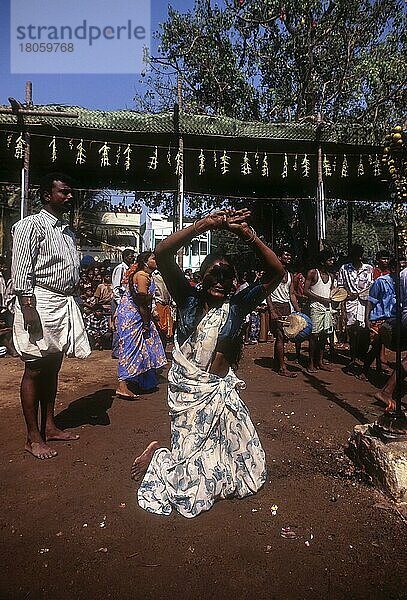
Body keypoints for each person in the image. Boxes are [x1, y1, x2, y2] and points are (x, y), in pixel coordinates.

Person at [132, 208, 284, 518]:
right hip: (188, 392)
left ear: (234, 282)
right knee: (189, 483)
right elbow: (163, 253)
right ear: (202, 277)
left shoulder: (238, 304)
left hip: (219, 392)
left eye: (227, 276)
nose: (220, 280)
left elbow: (277, 272)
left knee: (246, 469)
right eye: (213, 273)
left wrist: (247, 234)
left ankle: (176, 456)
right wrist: (204, 224)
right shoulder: (187, 298)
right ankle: (161, 458)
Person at [11, 172, 90, 460]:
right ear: (47, 195)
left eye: (70, 192)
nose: (69, 197)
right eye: (64, 192)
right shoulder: (30, 226)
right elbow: (21, 271)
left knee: (53, 366)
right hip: (38, 301)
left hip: (62, 303)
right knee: (34, 368)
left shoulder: (67, 232)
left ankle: (50, 425)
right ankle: (33, 438)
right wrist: (28, 308)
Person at [116, 251, 166, 399]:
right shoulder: (142, 276)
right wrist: (146, 322)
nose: (156, 260)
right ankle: (122, 385)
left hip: (136, 314)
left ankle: (140, 380)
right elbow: (142, 302)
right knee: (131, 349)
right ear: (145, 262)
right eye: (153, 258)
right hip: (133, 317)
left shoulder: (145, 275)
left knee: (146, 347)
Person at [337, 244, 373, 371]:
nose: (358, 259)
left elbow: (370, 287)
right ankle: (352, 358)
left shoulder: (369, 269)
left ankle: (361, 357)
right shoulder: (344, 268)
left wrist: (361, 294)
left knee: (364, 331)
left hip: (364, 303)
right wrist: (348, 294)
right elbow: (340, 286)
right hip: (350, 303)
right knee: (352, 331)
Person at [267, 247, 300, 377]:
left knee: (283, 337)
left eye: (290, 255)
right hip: (276, 306)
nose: (289, 257)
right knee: (280, 336)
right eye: (286, 255)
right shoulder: (273, 272)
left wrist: (297, 311)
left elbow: (292, 294)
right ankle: (282, 367)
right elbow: (267, 292)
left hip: (286, 307)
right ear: (279, 257)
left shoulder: (290, 275)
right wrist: (272, 310)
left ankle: (278, 364)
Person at [304, 250, 335, 372]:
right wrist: (322, 299)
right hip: (316, 307)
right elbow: (306, 291)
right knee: (314, 335)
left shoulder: (331, 276)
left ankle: (320, 362)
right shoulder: (313, 273)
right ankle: (310, 363)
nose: (332, 262)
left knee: (324, 335)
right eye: (329, 260)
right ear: (323, 261)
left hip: (327, 309)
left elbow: (331, 292)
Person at [111, 248, 135, 358]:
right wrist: (120, 303)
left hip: (126, 301)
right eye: (131, 256)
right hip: (119, 301)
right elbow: (116, 288)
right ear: (125, 257)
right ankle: (116, 351)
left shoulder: (131, 269)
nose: (133, 258)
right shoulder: (120, 269)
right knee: (118, 325)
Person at [152, 269, 174, 349]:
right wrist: (153, 309)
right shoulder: (153, 275)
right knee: (158, 329)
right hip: (158, 305)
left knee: (165, 331)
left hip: (167, 305)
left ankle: (162, 352)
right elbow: (152, 293)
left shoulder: (167, 274)